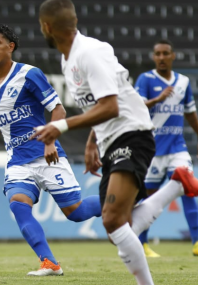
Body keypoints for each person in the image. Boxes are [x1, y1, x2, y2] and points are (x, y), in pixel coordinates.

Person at [36, 0, 198, 284]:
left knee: (112, 220)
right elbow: (98, 105)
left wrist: (60, 125)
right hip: (112, 141)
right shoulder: (68, 59)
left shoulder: (89, 53)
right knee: (118, 230)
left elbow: (111, 106)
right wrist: (91, 143)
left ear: (46, 27)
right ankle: (176, 185)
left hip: (132, 133)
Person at [0, 23, 101, 276]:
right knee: (18, 203)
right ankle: (49, 262)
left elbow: (59, 110)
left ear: (11, 47)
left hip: (46, 156)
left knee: (76, 213)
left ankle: (122, 201)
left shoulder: (29, 74)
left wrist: (50, 141)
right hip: (18, 161)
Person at [134, 39, 198, 257]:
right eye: (158, 54)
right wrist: (158, 99)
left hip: (177, 149)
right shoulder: (146, 79)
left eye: (165, 53)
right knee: (148, 198)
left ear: (173, 56)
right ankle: (142, 244)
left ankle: (197, 242)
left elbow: (190, 113)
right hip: (151, 151)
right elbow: (136, 107)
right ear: (154, 57)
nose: (161, 57)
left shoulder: (183, 82)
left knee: (187, 187)